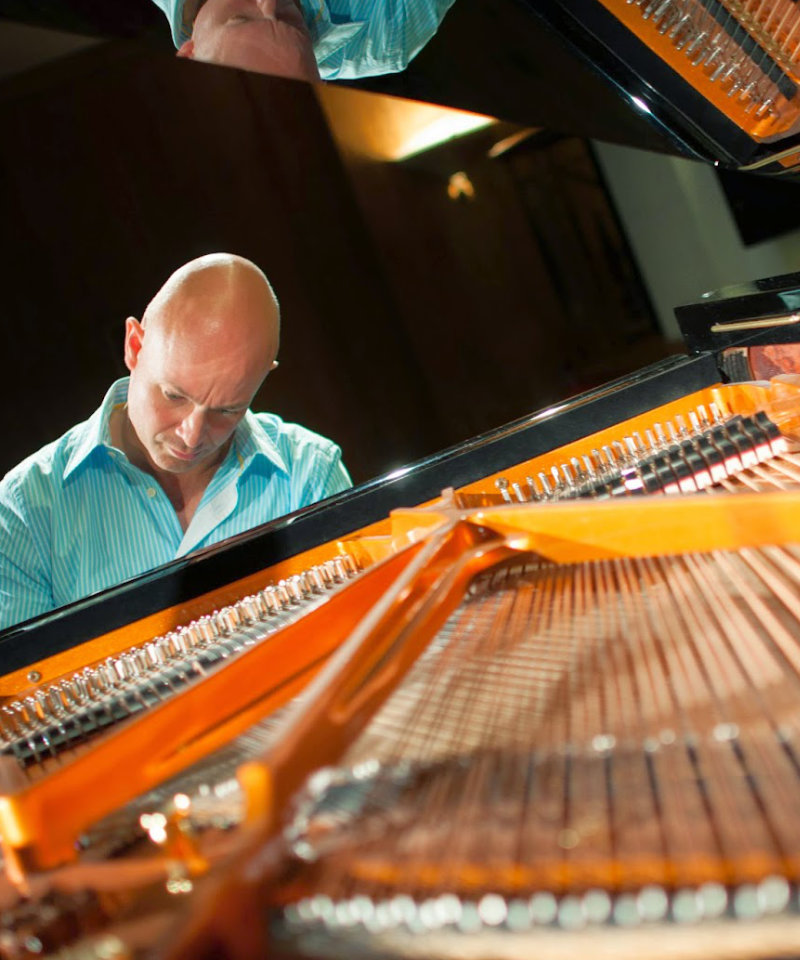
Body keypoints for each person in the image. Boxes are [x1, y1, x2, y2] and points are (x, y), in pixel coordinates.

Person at [0, 253, 352, 630]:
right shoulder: (26, 510)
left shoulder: (311, 475)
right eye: (174, 396)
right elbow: (19, 686)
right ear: (134, 346)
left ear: (264, 379)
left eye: (226, 411)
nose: (192, 435)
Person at [153, 0, 457, 81]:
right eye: (294, 22)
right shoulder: (387, 31)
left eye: (241, 18)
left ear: (190, 55)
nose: (269, 2)